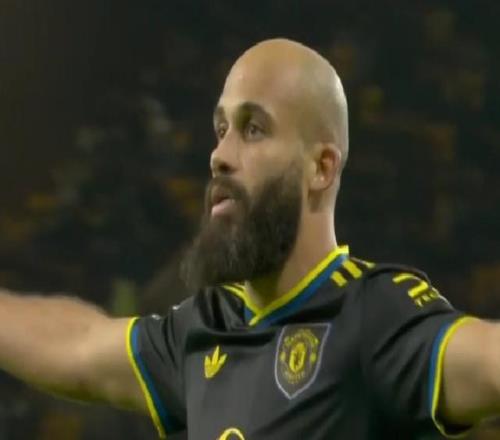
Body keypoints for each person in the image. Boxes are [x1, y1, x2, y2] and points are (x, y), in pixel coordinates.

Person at [0, 38, 496, 440]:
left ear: (321, 168)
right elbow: (76, 343)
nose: (219, 155)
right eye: (221, 129)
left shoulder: (371, 315)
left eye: (253, 129)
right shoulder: (204, 327)